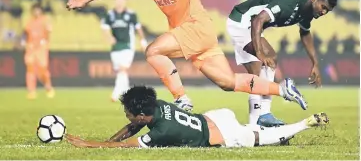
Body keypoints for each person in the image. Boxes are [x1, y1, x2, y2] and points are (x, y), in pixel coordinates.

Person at [66, 0, 307, 111]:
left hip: (195, 27)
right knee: (228, 83)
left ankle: (181, 98)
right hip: (197, 37)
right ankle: (283, 89)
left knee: (153, 51)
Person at [66, 86, 329, 148]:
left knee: (263, 138)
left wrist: (89, 144)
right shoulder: (156, 105)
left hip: (223, 134)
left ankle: (305, 123)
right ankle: (266, 124)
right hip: (216, 117)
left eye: (129, 112)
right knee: (252, 130)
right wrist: (107, 138)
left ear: (143, 114)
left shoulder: (161, 133)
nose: (127, 115)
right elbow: (132, 127)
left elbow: (126, 146)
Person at [226, 0, 337, 127]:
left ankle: (258, 122)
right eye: (323, 7)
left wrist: (315, 63)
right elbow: (258, 20)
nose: (323, 12)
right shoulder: (289, 3)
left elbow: (305, 33)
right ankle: (262, 118)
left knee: (258, 74)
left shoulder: (308, 10)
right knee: (266, 62)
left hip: (252, 26)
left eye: (327, 10)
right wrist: (259, 52)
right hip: (241, 21)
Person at [101, 0, 148, 102]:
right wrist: (109, 37)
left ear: (125, 0)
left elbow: (138, 29)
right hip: (115, 47)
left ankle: (115, 94)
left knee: (123, 68)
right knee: (121, 72)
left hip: (128, 46)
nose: (119, 1)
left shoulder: (131, 14)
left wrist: (143, 42)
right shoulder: (110, 15)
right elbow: (104, 28)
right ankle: (128, 94)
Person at [23, 4, 54, 99]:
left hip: (41, 48)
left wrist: (44, 40)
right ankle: (31, 91)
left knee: (43, 70)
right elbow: (25, 33)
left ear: (41, 11)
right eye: (34, 10)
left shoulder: (45, 20)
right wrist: (24, 42)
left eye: (38, 10)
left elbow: (48, 31)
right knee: (30, 69)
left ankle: (48, 86)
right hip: (31, 48)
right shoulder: (30, 21)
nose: (36, 12)